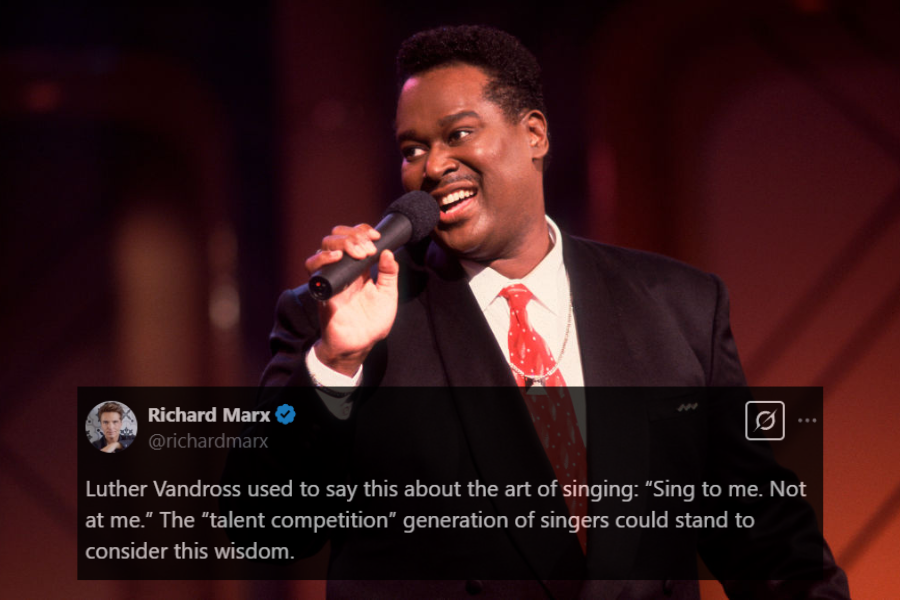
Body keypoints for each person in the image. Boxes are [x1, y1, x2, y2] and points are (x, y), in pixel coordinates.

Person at [225, 25, 849, 598]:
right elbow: (262, 528)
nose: (433, 164)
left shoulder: (679, 306)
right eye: (412, 148)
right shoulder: (347, 320)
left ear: (534, 134)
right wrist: (336, 365)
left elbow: (765, 538)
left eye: (458, 134)